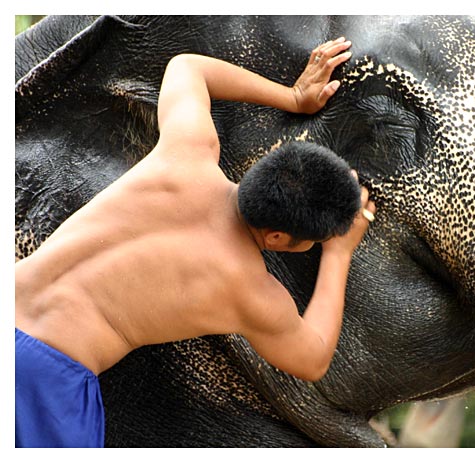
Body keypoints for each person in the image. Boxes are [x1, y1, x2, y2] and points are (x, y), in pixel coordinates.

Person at [15, 37, 376, 447]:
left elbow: (188, 66)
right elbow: (313, 358)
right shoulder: (246, 289)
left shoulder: (186, 151)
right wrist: (338, 252)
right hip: (45, 383)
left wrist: (293, 97)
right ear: (277, 237)